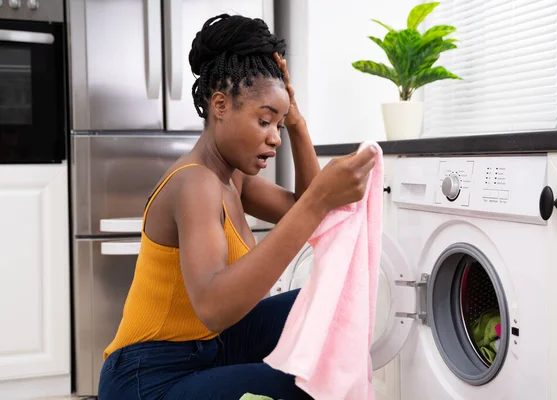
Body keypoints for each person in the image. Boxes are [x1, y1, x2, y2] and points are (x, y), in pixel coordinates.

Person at [97, 13, 376, 400]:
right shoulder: (194, 183)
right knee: (304, 383)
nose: (274, 138)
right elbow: (213, 305)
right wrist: (318, 200)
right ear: (221, 105)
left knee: (323, 310)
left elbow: (309, 211)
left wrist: (297, 123)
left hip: (209, 347)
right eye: (265, 121)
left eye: (278, 124)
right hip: (148, 376)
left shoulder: (232, 179)